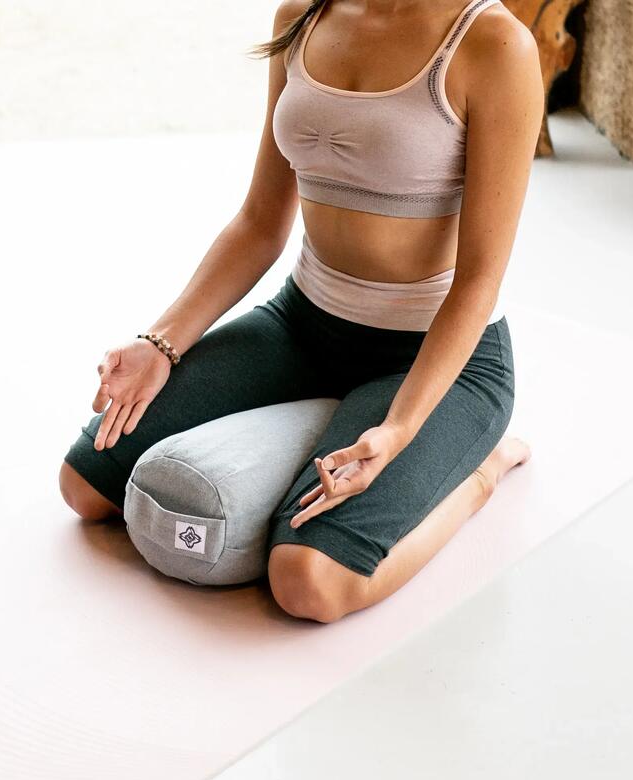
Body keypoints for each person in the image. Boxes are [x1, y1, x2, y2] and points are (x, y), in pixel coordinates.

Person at [59, 0, 542, 623]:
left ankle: (477, 473)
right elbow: (262, 222)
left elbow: (479, 281)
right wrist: (162, 342)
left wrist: (397, 429)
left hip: (437, 360)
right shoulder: (303, 15)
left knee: (307, 582)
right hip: (304, 325)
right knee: (86, 486)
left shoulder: (495, 45)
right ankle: (341, 416)